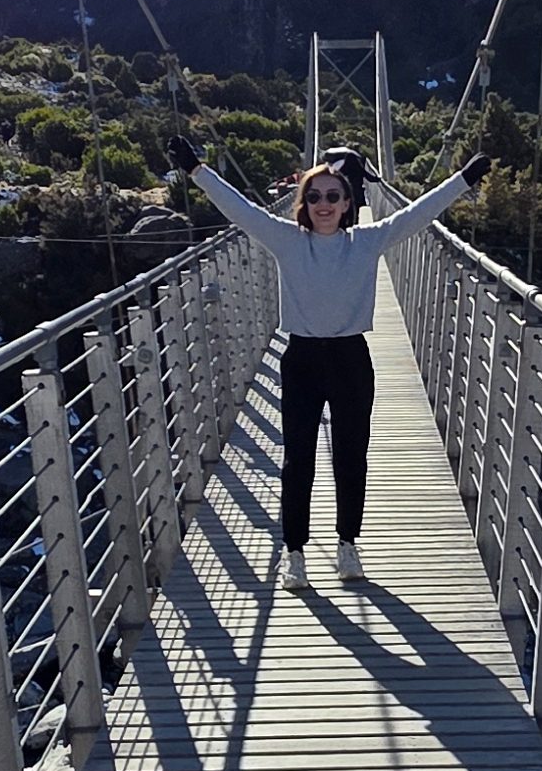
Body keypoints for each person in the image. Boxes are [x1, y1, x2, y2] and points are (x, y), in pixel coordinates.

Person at [166, 133, 489, 589]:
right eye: (314, 196)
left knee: (351, 457)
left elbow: (419, 215)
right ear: (304, 202)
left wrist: (463, 180)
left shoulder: (368, 240)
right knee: (298, 459)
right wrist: (196, 170)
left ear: (347, 202)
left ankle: (347, 545)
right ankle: (294, 553)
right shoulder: (286, 241)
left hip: (350, 358)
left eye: (333, 196)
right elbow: (238, 208)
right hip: (301, 358)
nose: (323, 203)